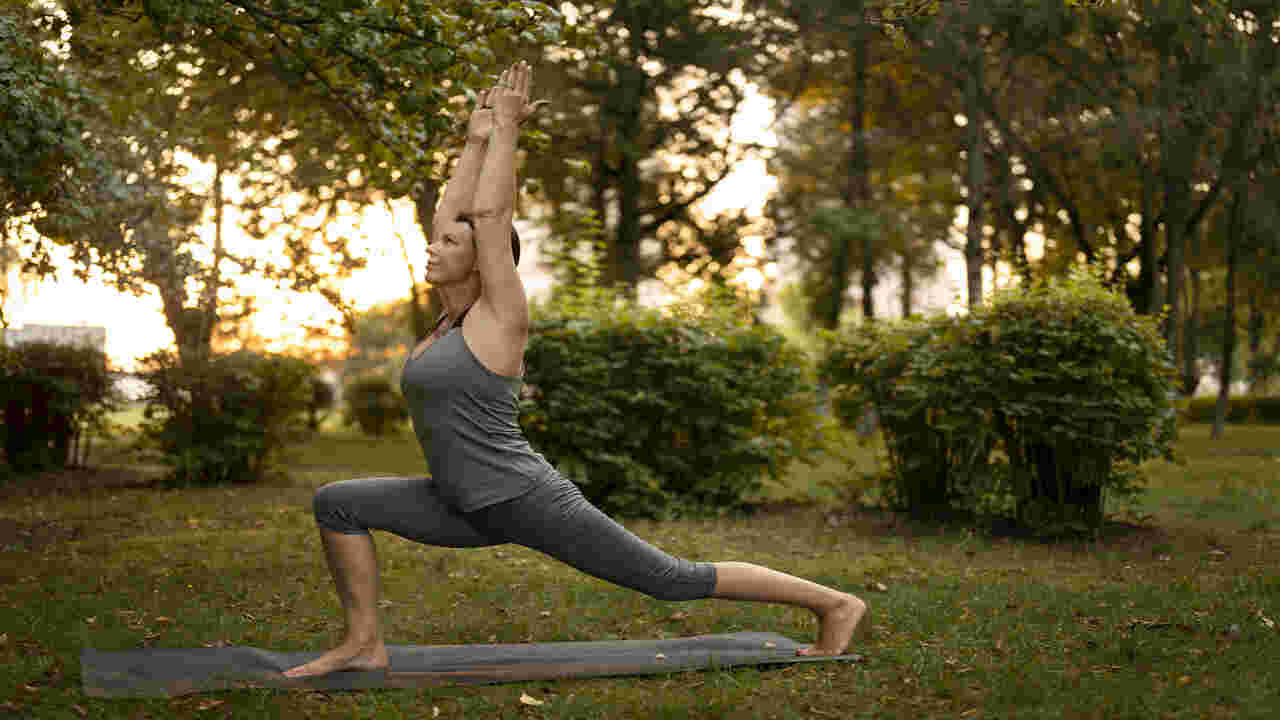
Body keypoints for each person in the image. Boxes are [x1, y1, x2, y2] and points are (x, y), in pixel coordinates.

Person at [282, 61, 866, 679]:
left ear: (483, 261)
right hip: (459, 503)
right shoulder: (446, 323)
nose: (435, 244)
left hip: (522, 496)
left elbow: (490, 217)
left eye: (453, 244)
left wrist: (506, 132)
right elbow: (454, 212)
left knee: (670, 579)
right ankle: (365, 643)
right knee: (338, 503)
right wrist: (475, 140)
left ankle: (835, 603)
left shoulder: (498, 316)